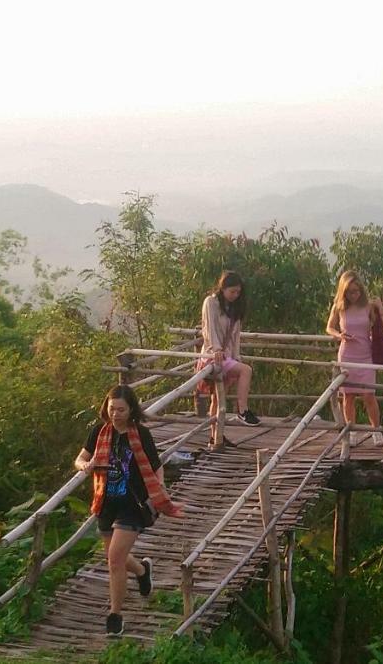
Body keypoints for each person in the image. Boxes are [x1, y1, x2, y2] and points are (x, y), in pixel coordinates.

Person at [74, 385, 185, 637]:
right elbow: (80, 458)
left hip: (132, 505)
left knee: (114, 560)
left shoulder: (141, 434)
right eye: (112, 409)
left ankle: (115, 615)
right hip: (105, 502)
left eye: (121, 409)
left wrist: (160, 492)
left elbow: (156, 467)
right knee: (118, 558)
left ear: (131, 409)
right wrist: (85, 466)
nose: (116, 414)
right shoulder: (99, 432)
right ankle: (143, 571)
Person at [326, 271, 383, 444]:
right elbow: (329, 327)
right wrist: (339, 335)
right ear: (344, 291)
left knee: (369, 395)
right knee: (348, 396)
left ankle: (376, 430)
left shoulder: (368, 306)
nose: (354, 295)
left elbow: (380, 326)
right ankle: (351, 430)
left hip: (365, 354)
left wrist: (380, 309)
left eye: (357, 291)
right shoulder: (339, 306)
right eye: (350, 292)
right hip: (347, 354)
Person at [200, 270, 261, 427]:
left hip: (226, 357)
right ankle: (242, 410)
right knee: (246, 370)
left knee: (219, 396)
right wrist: (216, 349)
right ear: (223, 288)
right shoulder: (211, 302)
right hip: (213, 355)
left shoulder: (234, 308)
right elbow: (209, 328)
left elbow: (235, 336)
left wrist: (236, 355)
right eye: (232, 291)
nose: (235, 295)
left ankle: (216, 435)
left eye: (238, 292)